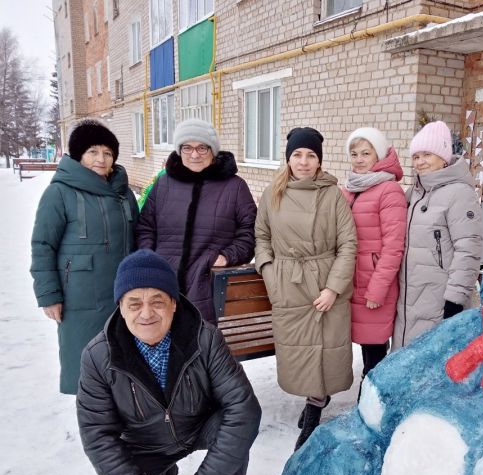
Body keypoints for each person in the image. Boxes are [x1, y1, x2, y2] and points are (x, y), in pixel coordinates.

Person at [76, 249, 261, 475]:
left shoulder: (205, 338)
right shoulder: (98, 357)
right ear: (120, 308)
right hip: (146, 442)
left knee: (234, 439)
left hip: (201, 427)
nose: (146, 313)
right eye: (134, 303)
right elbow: (98, 437)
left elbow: (244, 409)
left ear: (174, 304)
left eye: (157, 302)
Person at [255, 127, 357, 450]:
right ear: (288, 158)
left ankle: (315, 408)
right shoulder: (273, 193)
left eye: (310, 155)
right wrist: (270, 273)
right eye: (297, 155)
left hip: (324, 281)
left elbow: (348, 244)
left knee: (324, 350)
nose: (303, 161)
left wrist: (333, 288)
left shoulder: (332, 195)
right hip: (288, 283)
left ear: (319, 161)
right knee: (299, 351)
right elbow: (262, 237)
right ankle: (312, 398)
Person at [30, 119, 139, 395]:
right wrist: (49, 295)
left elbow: (138, 236)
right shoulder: (59, 193)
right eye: (93, 152)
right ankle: (95, 426)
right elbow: (43, 245)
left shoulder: (123, 193)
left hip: (123, 293)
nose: (101, 159)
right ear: (79, 155)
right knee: (87, 366)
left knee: (126, 364)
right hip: (80, 297)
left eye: (107, 153)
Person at [135, 118, 257, 323]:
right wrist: (150, 256)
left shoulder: (235, 187)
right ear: (178, 150)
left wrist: (226, 257)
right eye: (187, 148)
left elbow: (250, 231)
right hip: (163, 284)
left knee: (203, 348)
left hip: (207, 286)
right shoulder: (164, 184)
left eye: (202, 148)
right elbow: (145, 227)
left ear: (213, 151)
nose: (194, 154)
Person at [392, 120, 483, 351]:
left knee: (432, 360)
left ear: (443, 157)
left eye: (427, 155)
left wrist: (455, 299)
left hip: (440, 297)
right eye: (416, 156)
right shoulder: (414, 192)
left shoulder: (460, 194)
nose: (420, 162)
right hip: (409, 294)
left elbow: (468, 249)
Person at [341, 127, 406, 382]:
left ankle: (370, 404)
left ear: (378, 155)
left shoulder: (388, 190)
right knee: (363, 350)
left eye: (365, 153)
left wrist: (377, 290)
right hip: (351, 282)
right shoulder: (351, 188)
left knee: (374, 352)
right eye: (354, 153)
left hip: (373, 284)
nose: (359, 159)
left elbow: (393, 246)